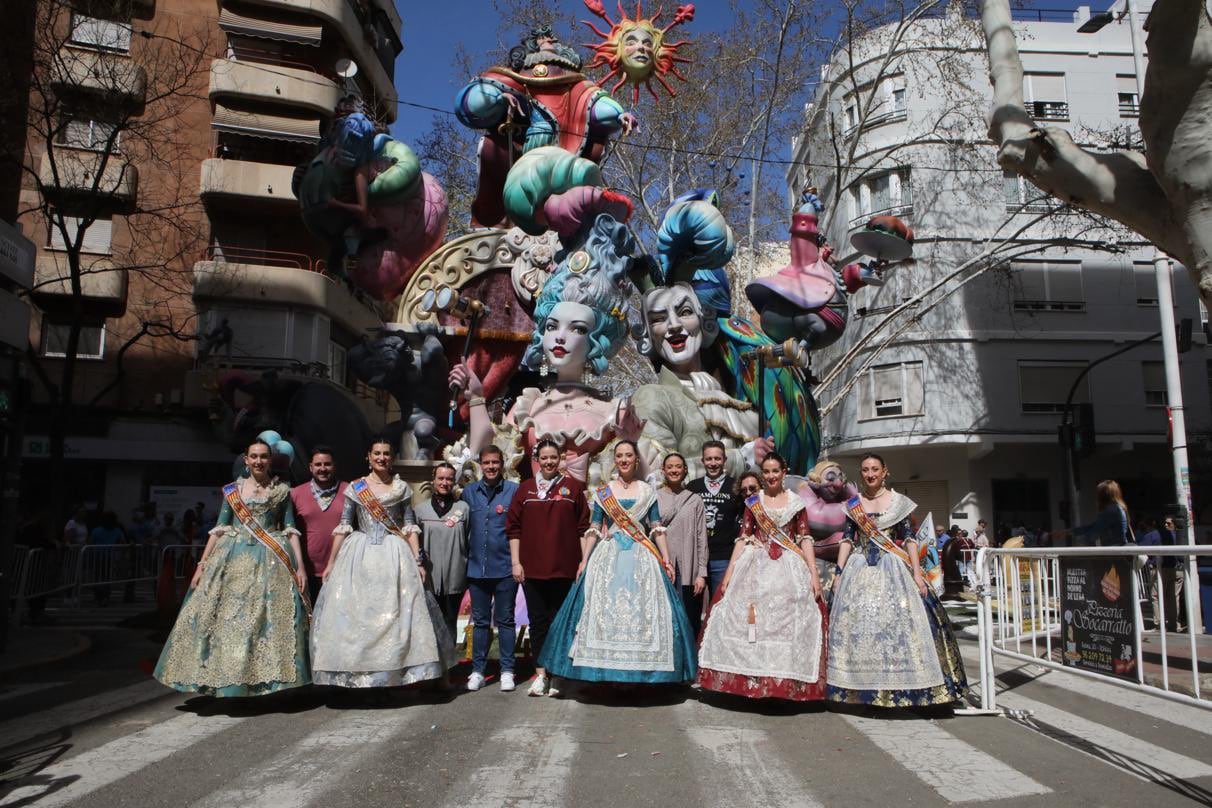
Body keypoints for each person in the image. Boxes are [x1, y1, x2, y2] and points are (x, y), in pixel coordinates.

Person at [154, 440, 310, 697]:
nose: (258, 461)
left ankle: (261, 682)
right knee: (226, 619)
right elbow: (218, 529)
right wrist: (201, 565)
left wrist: (300, 567)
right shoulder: (231, 491)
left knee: (263, 621)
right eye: (254, 457)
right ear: (246, 460)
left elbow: (291, 530)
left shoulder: (282, 491)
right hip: (231, 559)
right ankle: (225, 681)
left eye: (263, 457)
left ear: (270, 460)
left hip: (271, 561)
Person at [539, 440, 697, 687]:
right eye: (620, 456)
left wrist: (665, 558)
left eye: (628, 456)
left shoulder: (647, 491)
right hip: (608, 555)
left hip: (641, 555)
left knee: (644, 612)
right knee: (601, 609)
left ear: (636, 460)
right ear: (615, 460)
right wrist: (584, 561)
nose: (624, 460)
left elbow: (656, 528)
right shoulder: (604, 491)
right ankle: (605, 672)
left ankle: (641, 672)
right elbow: (593, 527)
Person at [310, 437, 454, 688]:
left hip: (394, 554)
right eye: (377, 453)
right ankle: (358, 678)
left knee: (397, 616)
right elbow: (344, 526)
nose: (381, 458)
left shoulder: (402, 488)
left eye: (386, 453)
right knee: (358, 617)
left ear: (393, 457)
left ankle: (390, 677)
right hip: (359, 556)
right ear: (369, 456)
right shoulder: (356, 488)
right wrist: (331, 563)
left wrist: (419, 561)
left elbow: (409, 528)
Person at [827, 453, 967, 707]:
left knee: (898, 624)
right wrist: (838, 573)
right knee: (859, 627)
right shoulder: (854, 505)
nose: (870, 474)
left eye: (875, 469)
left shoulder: (900, 503)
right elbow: (847, 540)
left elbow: (910, 539)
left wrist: (916, 573)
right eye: (866, 470)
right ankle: (861, 688)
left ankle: (906, 688)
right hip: (859, 571)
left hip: (893, 569)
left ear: (885, 472)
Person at [698, 453, 828, 701]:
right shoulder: (753, 503)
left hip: (789, 568)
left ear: (784, 472)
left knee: (786, 623)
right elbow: (743, 538)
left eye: (775, 471)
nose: (770, 476)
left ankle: (785, 683)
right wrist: (729, 573)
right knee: (752, 622)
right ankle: (753, 681)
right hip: (755, 564)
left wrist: (814, 575)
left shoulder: (796, 503)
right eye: (766, 472)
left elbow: (805, 539)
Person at [506, 439, 590, 696]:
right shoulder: (525, 490)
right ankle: (541, 673)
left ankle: (558, 675)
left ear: (560, 459)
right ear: (537, 460)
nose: (549, 462)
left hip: (565, 569)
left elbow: (583, 529)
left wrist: (583, 562)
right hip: (533, 569)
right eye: (544, 458)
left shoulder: (573, 488)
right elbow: (514, 529)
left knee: (561, 623)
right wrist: (516, 562)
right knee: (538, 622)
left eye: (554, 457)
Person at [464, 445, 521, 692]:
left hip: (505, 567)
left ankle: (507, 670)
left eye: (495, 463)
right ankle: (478, 670)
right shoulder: (468, 493)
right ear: (480, 464)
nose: (491, 467)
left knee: (506, 621)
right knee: (480, 622)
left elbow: (520, 529)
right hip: (477, 568)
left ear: (502, 463)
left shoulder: (513, 492)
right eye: (486, 463)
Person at [418, 462, 470, 648]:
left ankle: (449, 668)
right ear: (433, 480)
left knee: (450, 620)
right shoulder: (420, 510)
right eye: (441, 478)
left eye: (449, 479)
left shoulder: (463, 508)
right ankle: (432, 669)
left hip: (455, 576)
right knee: (429, 622)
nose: (445, 482)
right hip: (428, 579)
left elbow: (469, 539)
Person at [656, 453, 708, 638]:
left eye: (678, 466)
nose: (674, 470)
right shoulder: (654, 497)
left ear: (685, 470)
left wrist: (701, 572)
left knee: (688, 619)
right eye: (670, 467)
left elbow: (702, 537)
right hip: (662, 565)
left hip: (688, 569)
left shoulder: (695, 500)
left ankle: (689, 661)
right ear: (663, 470)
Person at [289, 446, 349, 601]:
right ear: (310, 467)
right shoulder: (295, 494)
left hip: (341, 569)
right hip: (305, 573)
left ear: (334, 466)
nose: (323, 469)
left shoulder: (349, 491)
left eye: (327, 464)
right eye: (318, 465)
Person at [688, 441, 745, 598]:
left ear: (725, 460)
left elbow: (745, 520)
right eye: (709, 459)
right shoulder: (692, 487)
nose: (713, 463)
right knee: (693, 606)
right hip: (695, 557)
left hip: (723, 557)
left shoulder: (736, 486)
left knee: (719, 603)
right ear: (702, 461)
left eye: (717, 459)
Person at [1069, 480, 1132, 546]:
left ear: (1103, 496)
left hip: (1114, 549)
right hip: (1118, 548)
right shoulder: (1118, 508)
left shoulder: (1111, 511)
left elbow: (1094, 533)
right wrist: (1070, 532)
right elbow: (1095, 526)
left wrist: (1078, 544)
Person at [1158, 517, 1188, 632]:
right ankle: (1172, 623)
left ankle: (1173, 623)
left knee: (1171, 597)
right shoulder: (1165, 536)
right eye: (1164, 523)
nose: (1166, 525)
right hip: (1168, 569)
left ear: (1174, 524)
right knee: (1170, 597)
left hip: (1174, 570)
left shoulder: (1177, 537)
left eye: (1168, 523)